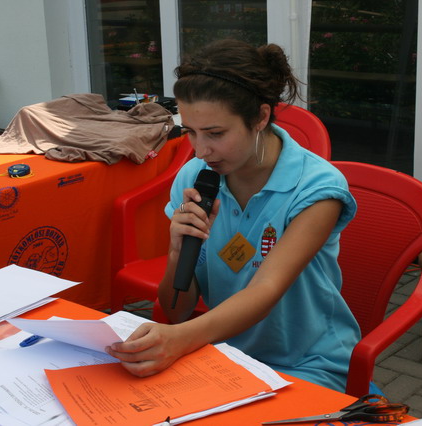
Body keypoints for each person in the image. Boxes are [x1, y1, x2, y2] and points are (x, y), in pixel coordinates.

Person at [106, 38, 367, 393]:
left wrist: (179, 339)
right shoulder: (194, 178)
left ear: (261, 117)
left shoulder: (316, 187)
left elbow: (266, 290)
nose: (200, 150)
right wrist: (178, 252)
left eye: (215, 133)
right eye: (190, 132)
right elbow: (177, 311)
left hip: (307, 364)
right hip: (226, 357)